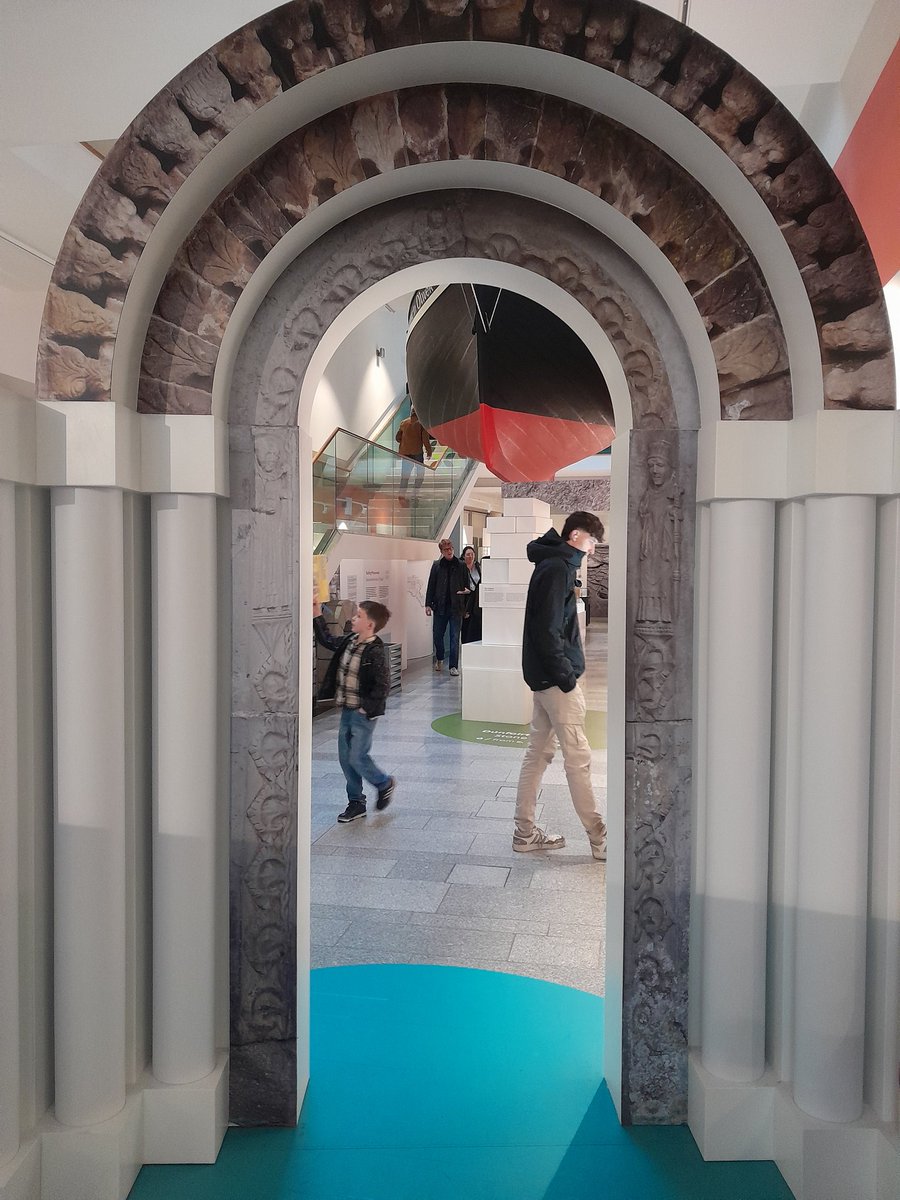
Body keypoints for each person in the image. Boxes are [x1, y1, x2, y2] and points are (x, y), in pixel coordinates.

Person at [513, 511, 608, 861]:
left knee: (537, 755)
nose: (594, 549)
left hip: (544, 678)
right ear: (576, 535)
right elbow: (546, 630)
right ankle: (599, 838)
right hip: (555, 682)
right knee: (578, 759)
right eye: (592, 540)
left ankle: (524, 833)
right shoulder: (557, 568)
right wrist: (566, 676)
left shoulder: (554, 564)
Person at [313, 598, 396, 823]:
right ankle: (356, 802)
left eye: (358, 615)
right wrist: (315, 615)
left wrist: (365, 708)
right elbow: (328, 640)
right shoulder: (350, 641)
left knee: (357, 757)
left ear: (369, 624)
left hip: (363, 715)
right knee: (345, 758)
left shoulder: (375, 651)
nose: (353, 618)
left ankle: (383, 783)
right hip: (346, 711)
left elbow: (383, 685)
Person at [425, 538, 470, 676]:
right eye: (446, 549)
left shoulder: (461, 565)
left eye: (450, 548)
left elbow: (467, 586)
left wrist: (465, 595)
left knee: (455, 637)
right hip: (440, 607)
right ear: (442, 552)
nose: (449, 551)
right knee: (437, 635)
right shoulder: (437, 566)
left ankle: (453, 666)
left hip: (456, 607)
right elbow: (431, 585)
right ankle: (439, 657)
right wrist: (428, 604)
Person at [395, 401, 434, 505]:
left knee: (405, 475)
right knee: (420, 474)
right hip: (417, 452)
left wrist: (405, 442)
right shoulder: (421, 424)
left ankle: (401, 495)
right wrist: (429, 451)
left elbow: (398, 437)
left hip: (405, 452)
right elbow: (425, 439)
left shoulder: (403, 422)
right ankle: (414, 494)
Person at [460, 544, 482, 644]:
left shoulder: (478, 567)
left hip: (476, 601)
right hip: (466, 601)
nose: (470, 556)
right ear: (464, 556)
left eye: (472, 554)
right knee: (466, 628)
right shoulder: (460, 568)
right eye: (468, 554)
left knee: (476, 627)